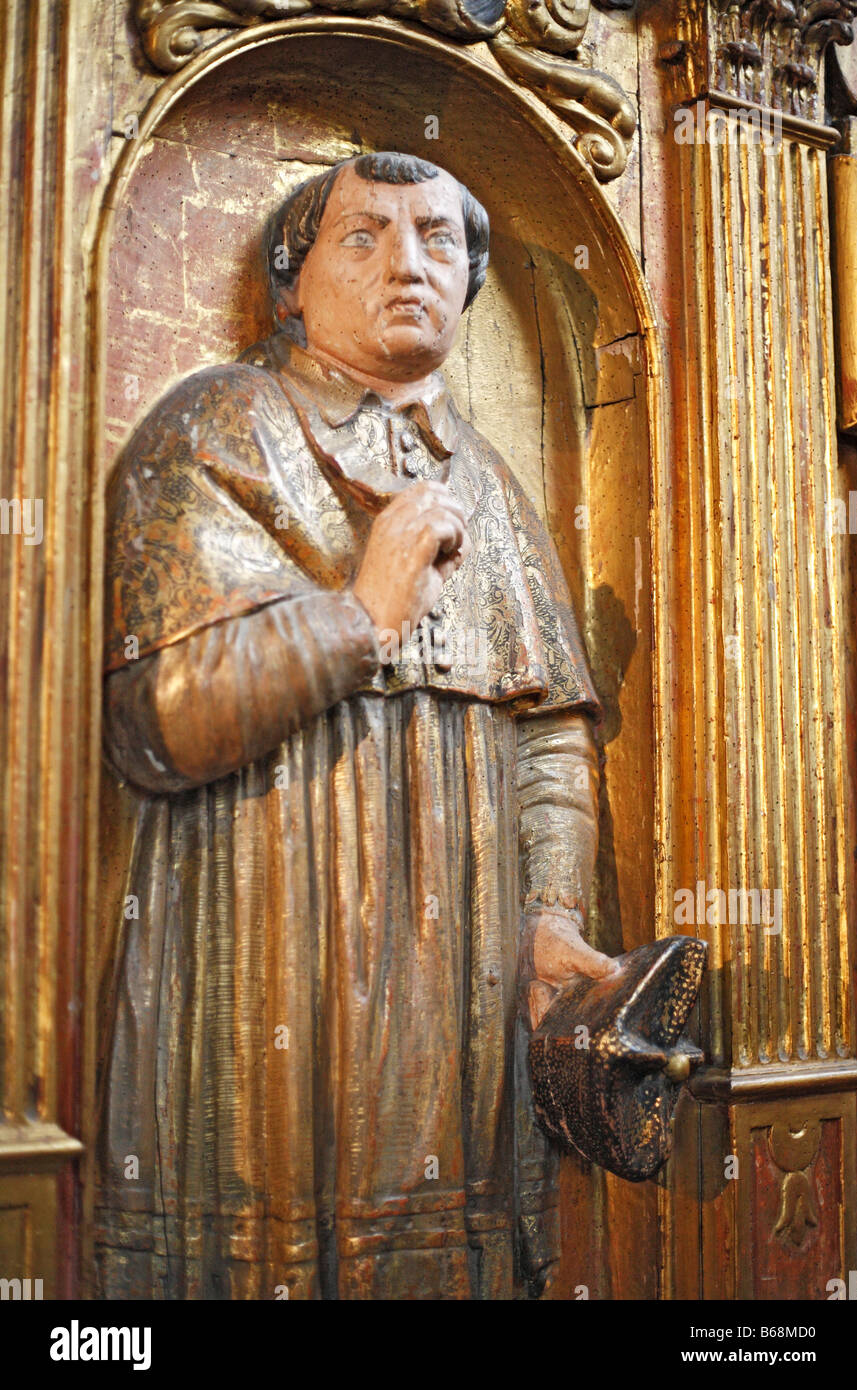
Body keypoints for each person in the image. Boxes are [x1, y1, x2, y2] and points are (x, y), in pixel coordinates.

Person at [95, 150, 615, 1300]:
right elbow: (154, 722)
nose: (408, 266)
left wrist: (547, 916)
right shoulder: (216, 428)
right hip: (258, 934)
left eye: (438, 240)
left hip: (458, 985)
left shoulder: (484, 480)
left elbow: (548, 735)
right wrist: (358, 616)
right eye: (364, 237)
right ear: (290, 283)